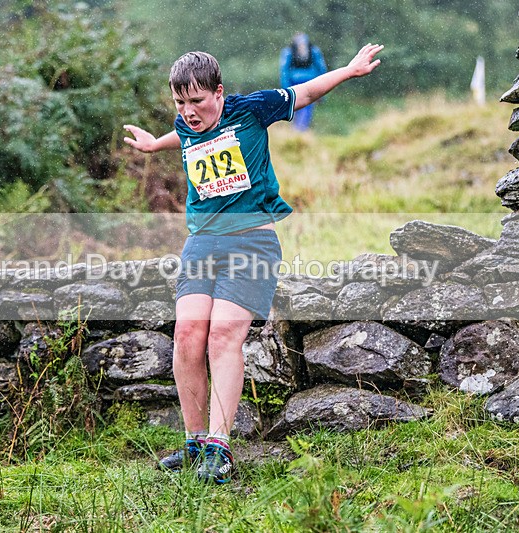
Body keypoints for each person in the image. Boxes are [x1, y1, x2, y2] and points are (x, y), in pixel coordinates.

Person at [123, 43, 383, 483]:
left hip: (252, 243)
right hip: (202, 244)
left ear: (219, 92)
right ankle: (194, 444)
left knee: (223, 335)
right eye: (180, 103)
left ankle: (219, 450)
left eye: (197, 101)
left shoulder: (252, 109)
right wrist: (154, 144)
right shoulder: (186, 123)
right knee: (187, 335)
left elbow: (305, 92)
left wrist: (348, 70)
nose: (188, 112)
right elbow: (183, 135)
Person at [280, 33, 329, 131]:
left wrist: (285, 90)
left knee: (293, 106)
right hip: (310, 81)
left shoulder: (288, 51)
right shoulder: (314, 50)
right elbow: (322, 69)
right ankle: (301, 130)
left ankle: (294, 131)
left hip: (294, 82)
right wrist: (322, 91)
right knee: (306, 107)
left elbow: (284, 72)